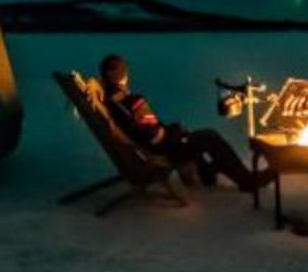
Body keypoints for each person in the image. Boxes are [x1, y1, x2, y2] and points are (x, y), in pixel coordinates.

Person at [98, 53, 272, 193]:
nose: (126, 74)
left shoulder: (113, 101)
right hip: (164, 150)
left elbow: (145, 131)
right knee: (209, 136)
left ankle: (208, 173)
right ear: (117, 74)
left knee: (195, 136)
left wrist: (174, 132)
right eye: (123, 70)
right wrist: (176, 134)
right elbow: (155, 138)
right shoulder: (131, 102)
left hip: (152, 147)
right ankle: (247, 181)